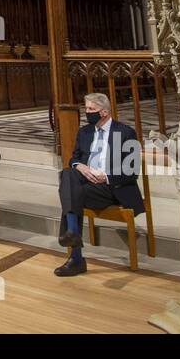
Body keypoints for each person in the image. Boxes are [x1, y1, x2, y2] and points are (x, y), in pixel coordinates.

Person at [56, 92, 144, 277]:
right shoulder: (85, 132)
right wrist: (80, 166)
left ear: (104, 112)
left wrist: (107, 177)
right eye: (86, 108)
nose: (86, 112)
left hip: (112, 187)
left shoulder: (126, 132)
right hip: (86, 182)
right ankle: (73, 236)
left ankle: (76, 256)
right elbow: (74, 158)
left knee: (71, 194)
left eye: (91, 109)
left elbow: (132, 171)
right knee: (68, 174)